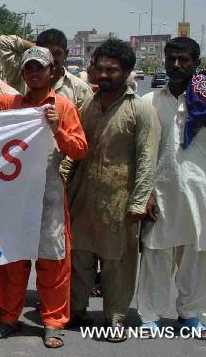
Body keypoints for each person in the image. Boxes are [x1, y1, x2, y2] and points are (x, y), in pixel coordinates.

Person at [0, 39, 88, 348]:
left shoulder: (62, 106)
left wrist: (58, 128)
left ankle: (53, 322)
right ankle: (8, 318)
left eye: (39, 68)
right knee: (13, 259)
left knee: (53, 259)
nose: (33, 74)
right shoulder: (14, 105)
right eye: (28, 68)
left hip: (48, 192)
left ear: (51, 72)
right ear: (22, 73)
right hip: (15, 194)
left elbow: (80, 149)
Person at [138, 37, 206, 340]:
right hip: (160, 193)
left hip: (202, 194)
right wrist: (145, 192)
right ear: (164, 62)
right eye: (172, 59)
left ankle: (191, 314)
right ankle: (150, 315)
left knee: (199, 257)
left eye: (184, 60)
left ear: (196, 63)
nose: (177, 65)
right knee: (156, 255)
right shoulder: (149, 102)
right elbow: (141, 152)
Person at [66, 39, 160, 342]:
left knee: (117, 263)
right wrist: (60, 183)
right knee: (79, 256)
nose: (105, 75)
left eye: (112, 70)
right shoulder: (87, 105)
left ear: (127, 72)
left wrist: (139, 202)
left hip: (120, 201)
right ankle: (76, 311)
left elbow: (147, 159)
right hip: (82, 197)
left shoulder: (140, 110)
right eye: (101, 69)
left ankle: (115, 318)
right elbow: (73, 151)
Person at [0, 29, 92, 107]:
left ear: (66, 54)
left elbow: (83, 127)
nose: (51, 59)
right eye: (47, 54)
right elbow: (4, 41)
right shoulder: (24, 78)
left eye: (56, 54)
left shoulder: (79, 90)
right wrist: (36, 50)